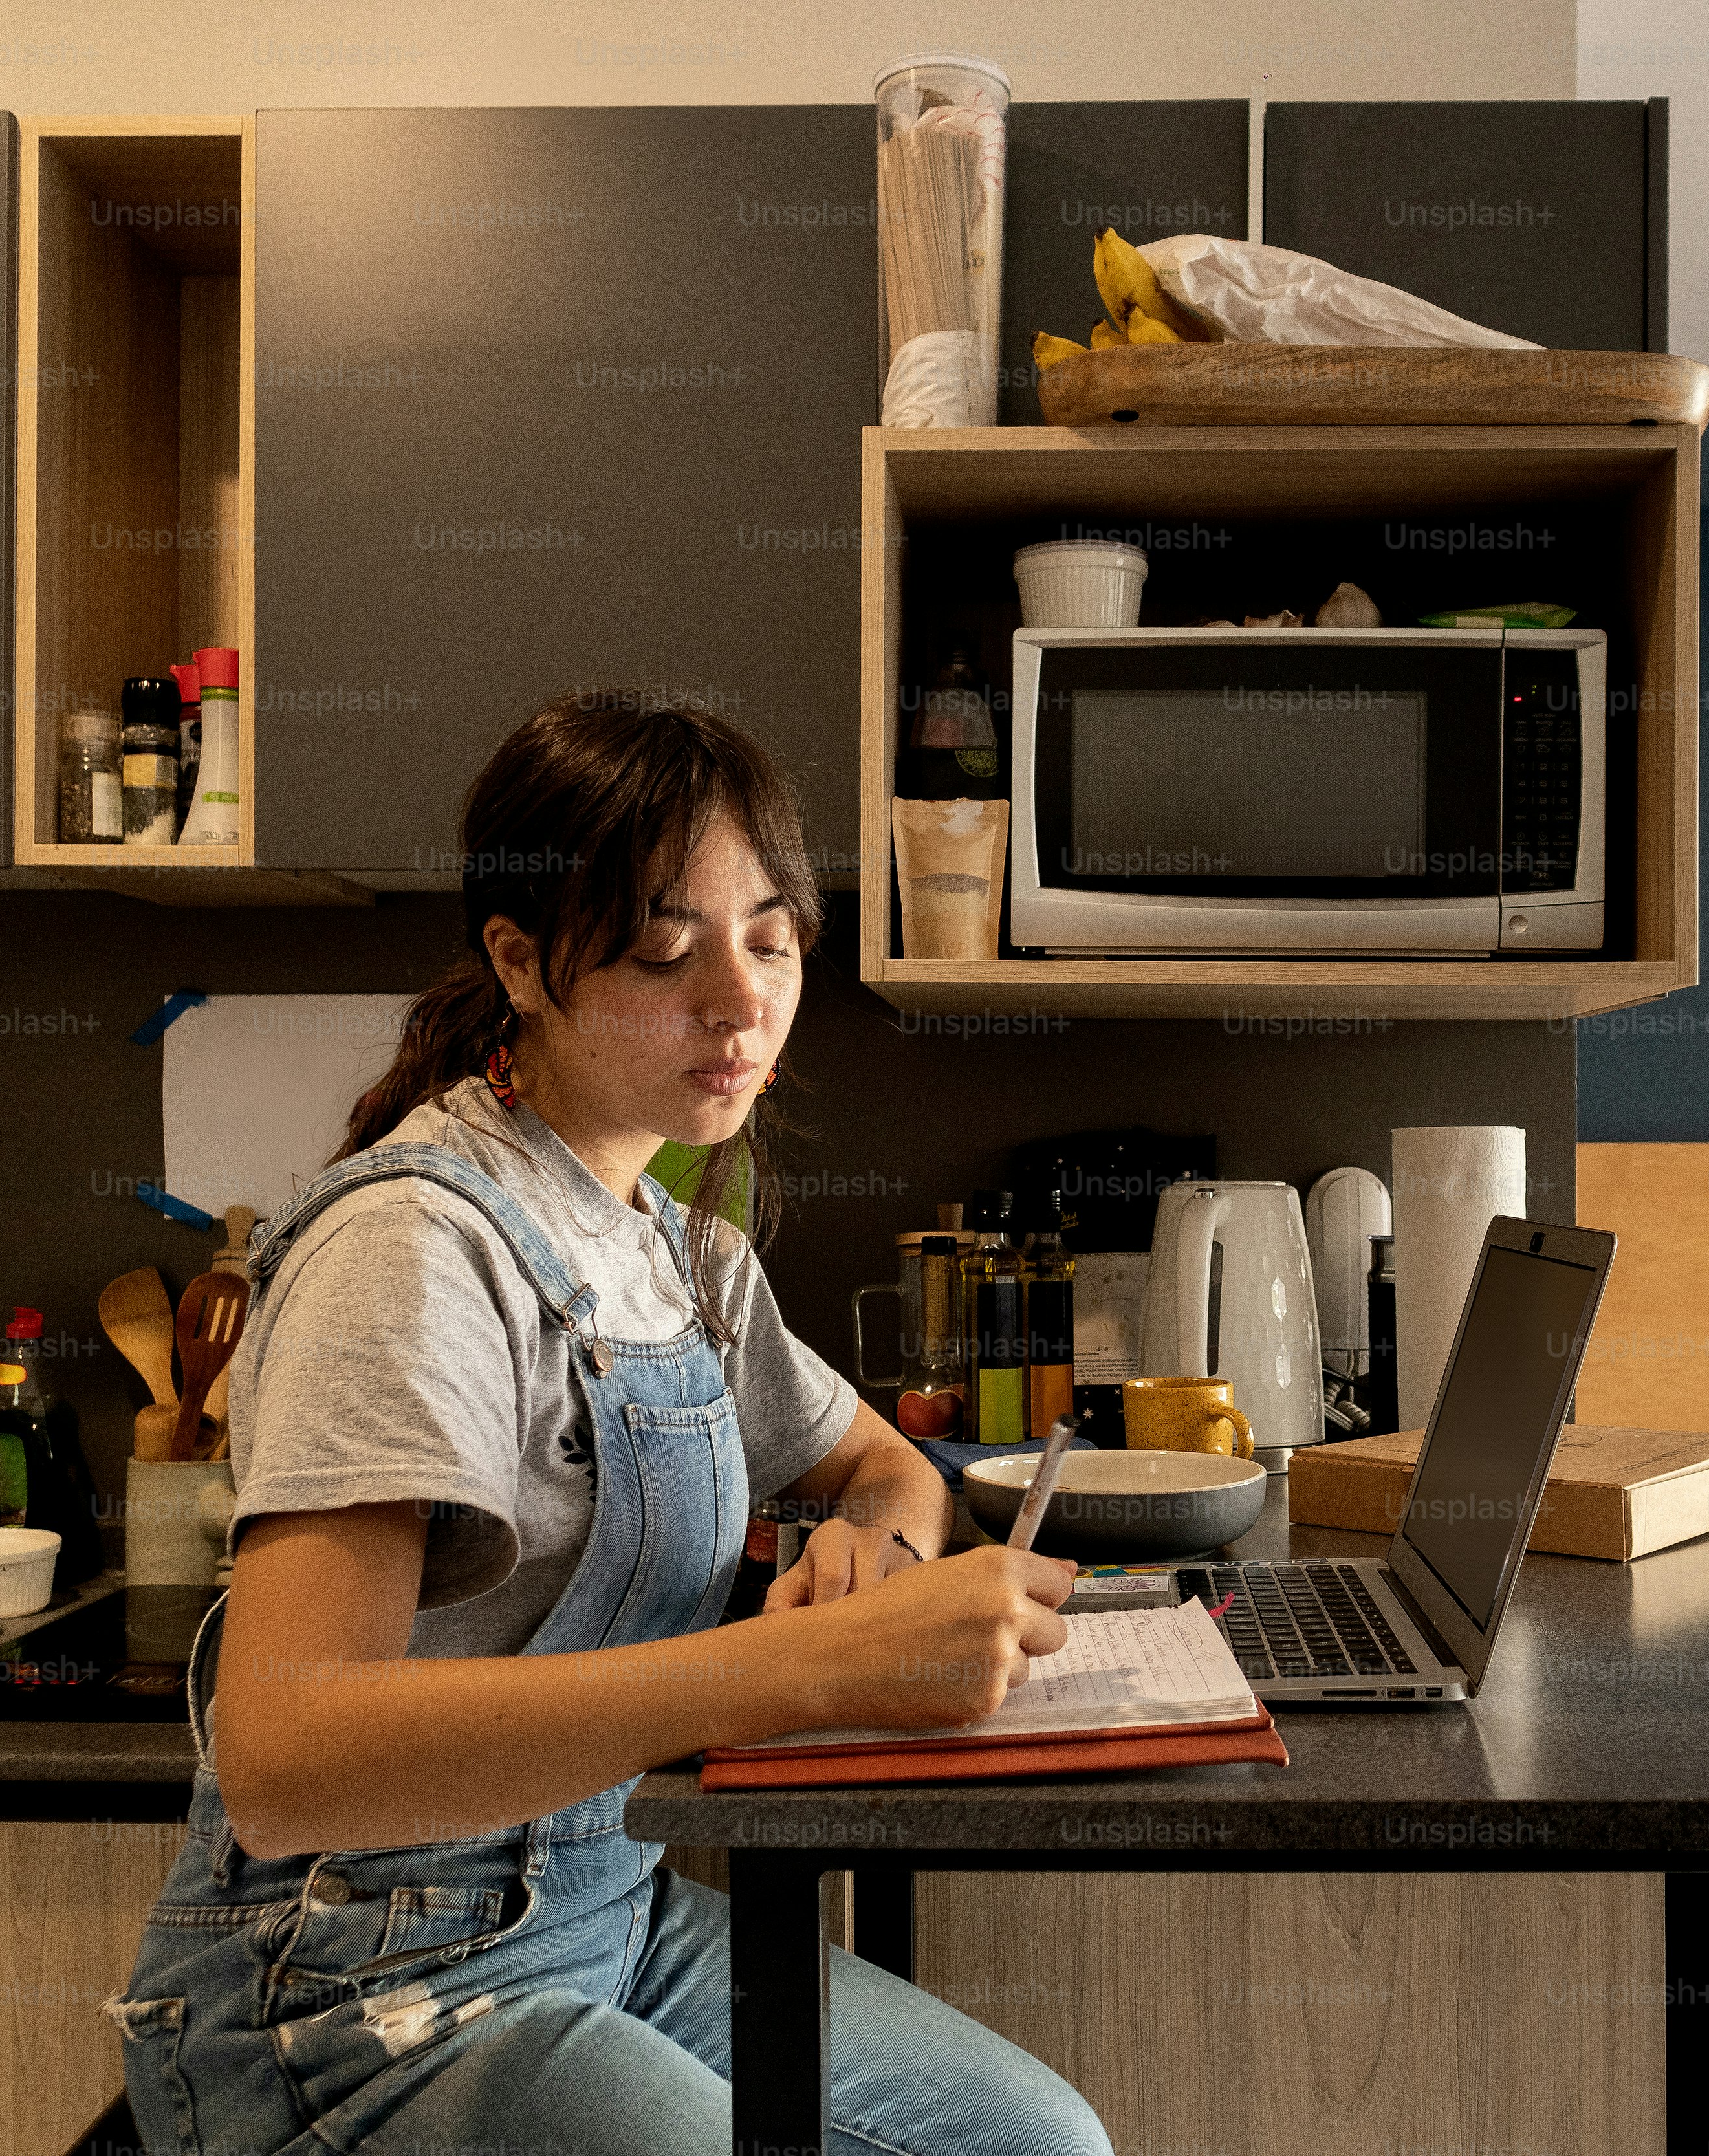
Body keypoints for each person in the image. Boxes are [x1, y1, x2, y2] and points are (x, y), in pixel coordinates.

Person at [112, 691, 1112, 2156]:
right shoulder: (416, 1245)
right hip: (353, 1997)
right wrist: (793, 1665)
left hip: (603, 1915)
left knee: (1039, 2144)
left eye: (769, 940)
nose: (737, 998)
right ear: (519, 960)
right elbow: (282, 1749)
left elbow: (883, 1462)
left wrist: (867, 1554)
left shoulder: (679, 1247)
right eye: (663, 945)